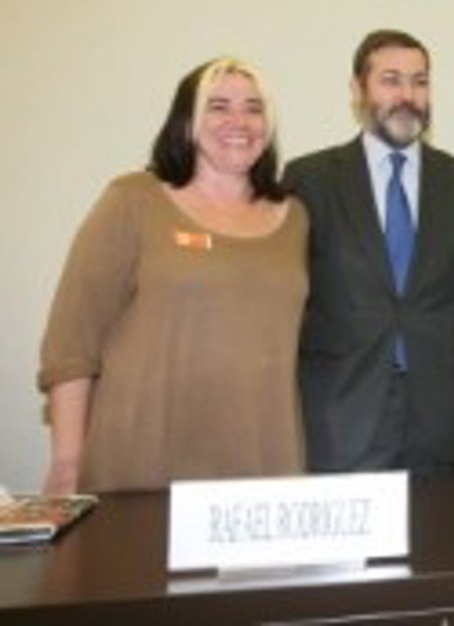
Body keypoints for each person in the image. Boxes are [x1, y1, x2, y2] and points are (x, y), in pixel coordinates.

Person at [38, 58, 308, 493]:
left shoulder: (296, 217)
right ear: (186, 120)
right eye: (218, 106)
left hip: (262, 463)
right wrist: (67, 460)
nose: (239, 121)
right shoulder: (132, 200)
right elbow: (72, 342)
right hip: (141, 461)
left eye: (253, 108)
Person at [284, 30, 454, 476]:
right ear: (358, 90)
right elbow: (296, 289)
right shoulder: (310, 179)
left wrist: (421, 332)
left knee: (437, 523)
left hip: (437, 412)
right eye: (391, 80)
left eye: (420, 81)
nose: (408, 96)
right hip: (341, 409)